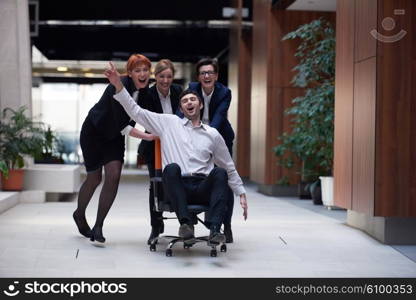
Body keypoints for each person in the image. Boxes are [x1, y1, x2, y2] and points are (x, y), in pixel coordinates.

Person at [104, 62, 248, 243]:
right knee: (171, 168)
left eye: (193, 100)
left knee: (220, 172)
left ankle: (215, 230)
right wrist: (118, 84)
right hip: (178, 186)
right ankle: (185, 224)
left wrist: (241, 193)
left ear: (201, 105)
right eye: (185, 101)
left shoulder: (213, 134)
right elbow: (136, 111)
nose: (189, 102)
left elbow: (229, 166)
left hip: (203, 186)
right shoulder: (169, 123)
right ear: (180, 108)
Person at [73, 54, 155, 244]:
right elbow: (123, 126)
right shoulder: (117, 85)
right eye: (137, 70)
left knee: (114, 175)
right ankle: (79, 214)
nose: (142, 74)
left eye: (145, 70)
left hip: (114, 137)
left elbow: (147, 117)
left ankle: (99, 226)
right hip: (94, 131)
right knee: (94, 178)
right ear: (130, 73)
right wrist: (147, 136)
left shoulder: (145, 92)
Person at [188, 57, 236, 242]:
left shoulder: (225, 92)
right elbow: (183, 110)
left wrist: (206, 138)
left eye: (210, 73)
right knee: (194, 177)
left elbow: (218, 118)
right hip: (194, 140)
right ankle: (190, 222)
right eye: (202, 73)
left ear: (216, 76)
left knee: (225, 180)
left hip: (220, 139)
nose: (206, 76)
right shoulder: (193, 89)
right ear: (198, 76)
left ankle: (227, 226)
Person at [136, 59, 183, 245]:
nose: (165, 80)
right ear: (156, 76)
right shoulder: (147, 93)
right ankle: (156, 226)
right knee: (156, 185)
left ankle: (185, 222)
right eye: (162, 76)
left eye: (169, 76)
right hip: (154, 144)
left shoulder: (179, 91)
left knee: (180, 181)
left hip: (176, 146)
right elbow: (147, 120)